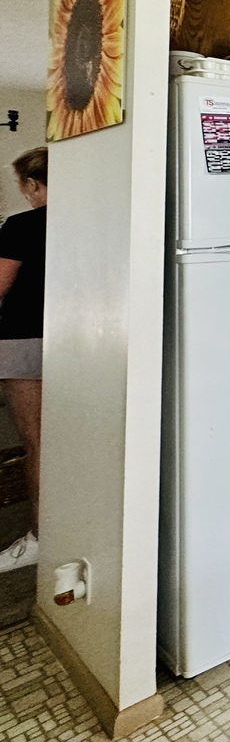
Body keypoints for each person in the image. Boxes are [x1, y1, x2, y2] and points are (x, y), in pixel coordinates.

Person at [0, 147, 46, 571]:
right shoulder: (96, 215)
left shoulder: (20, 225)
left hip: (23, 338)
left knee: (36, 441)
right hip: (86, 340)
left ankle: (40, 536)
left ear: (33, 185)